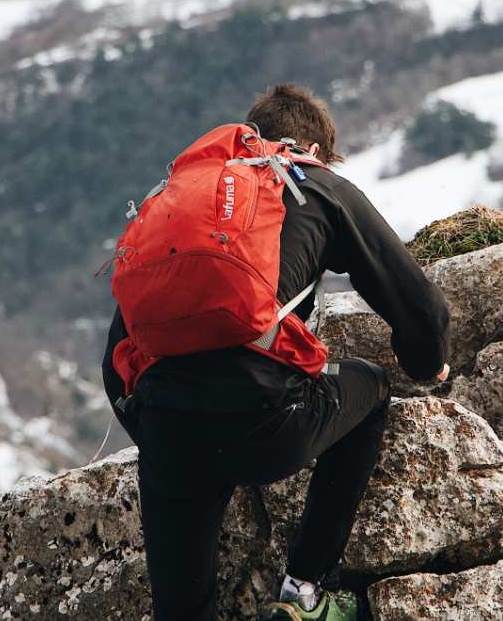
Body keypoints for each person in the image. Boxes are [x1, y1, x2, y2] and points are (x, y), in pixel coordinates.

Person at [101, 84, 451, 621]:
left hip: (167, 430)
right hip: (270, 424)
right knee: (371, 388)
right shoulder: (318, 186)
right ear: (316, 152)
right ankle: (305, 592)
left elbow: (115, 361)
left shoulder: (182, 201)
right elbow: (421, 309)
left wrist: (165, 436)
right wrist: (429, 366)